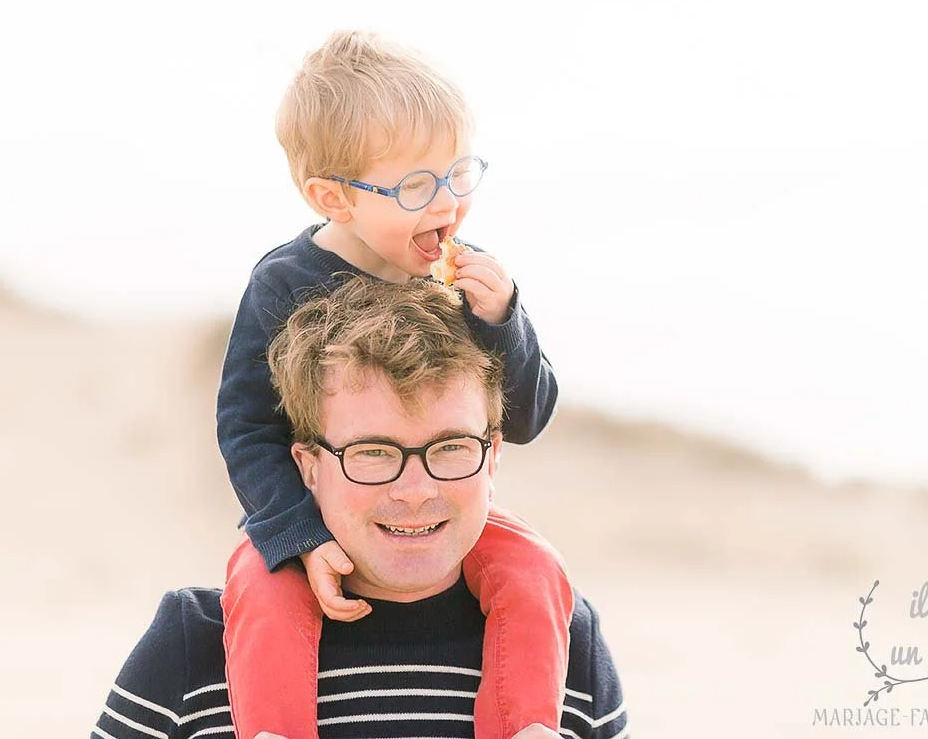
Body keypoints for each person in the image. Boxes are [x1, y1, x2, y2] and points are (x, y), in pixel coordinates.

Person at [213, 30, 570, 739]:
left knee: (533, 566)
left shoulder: (471, 279)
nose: (447, 205)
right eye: (415, 187)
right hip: (315, 510)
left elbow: (527, 416)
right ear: (333, 197)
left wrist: (505, 320)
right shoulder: (284, 284)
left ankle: (524, 725)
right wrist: (298, 533)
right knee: (259, 585)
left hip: (440, 503)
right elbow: (246, 426)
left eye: (458, 176)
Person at [92, 278, 629, 739]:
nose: (415, 489)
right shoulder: (194, 645)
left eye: (450, 448)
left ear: (492, 455)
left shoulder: (567, 643)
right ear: (306, 466)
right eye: (373, 452)